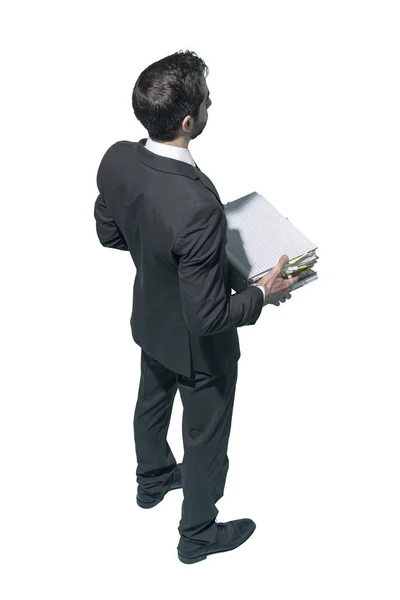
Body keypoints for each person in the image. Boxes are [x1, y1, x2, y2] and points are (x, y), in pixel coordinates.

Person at [94, 50, 298, 564]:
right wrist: (263, 293)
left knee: (151, 401)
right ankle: (199, 535)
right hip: (198, 347)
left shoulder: (116, 158)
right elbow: (208, 317)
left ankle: (153, 481)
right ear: (189, 121)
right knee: (205, 436)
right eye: (207, 100)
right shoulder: (198, 209)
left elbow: (109, 231)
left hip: (150, 318)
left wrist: (162, 252)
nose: (211, 104)